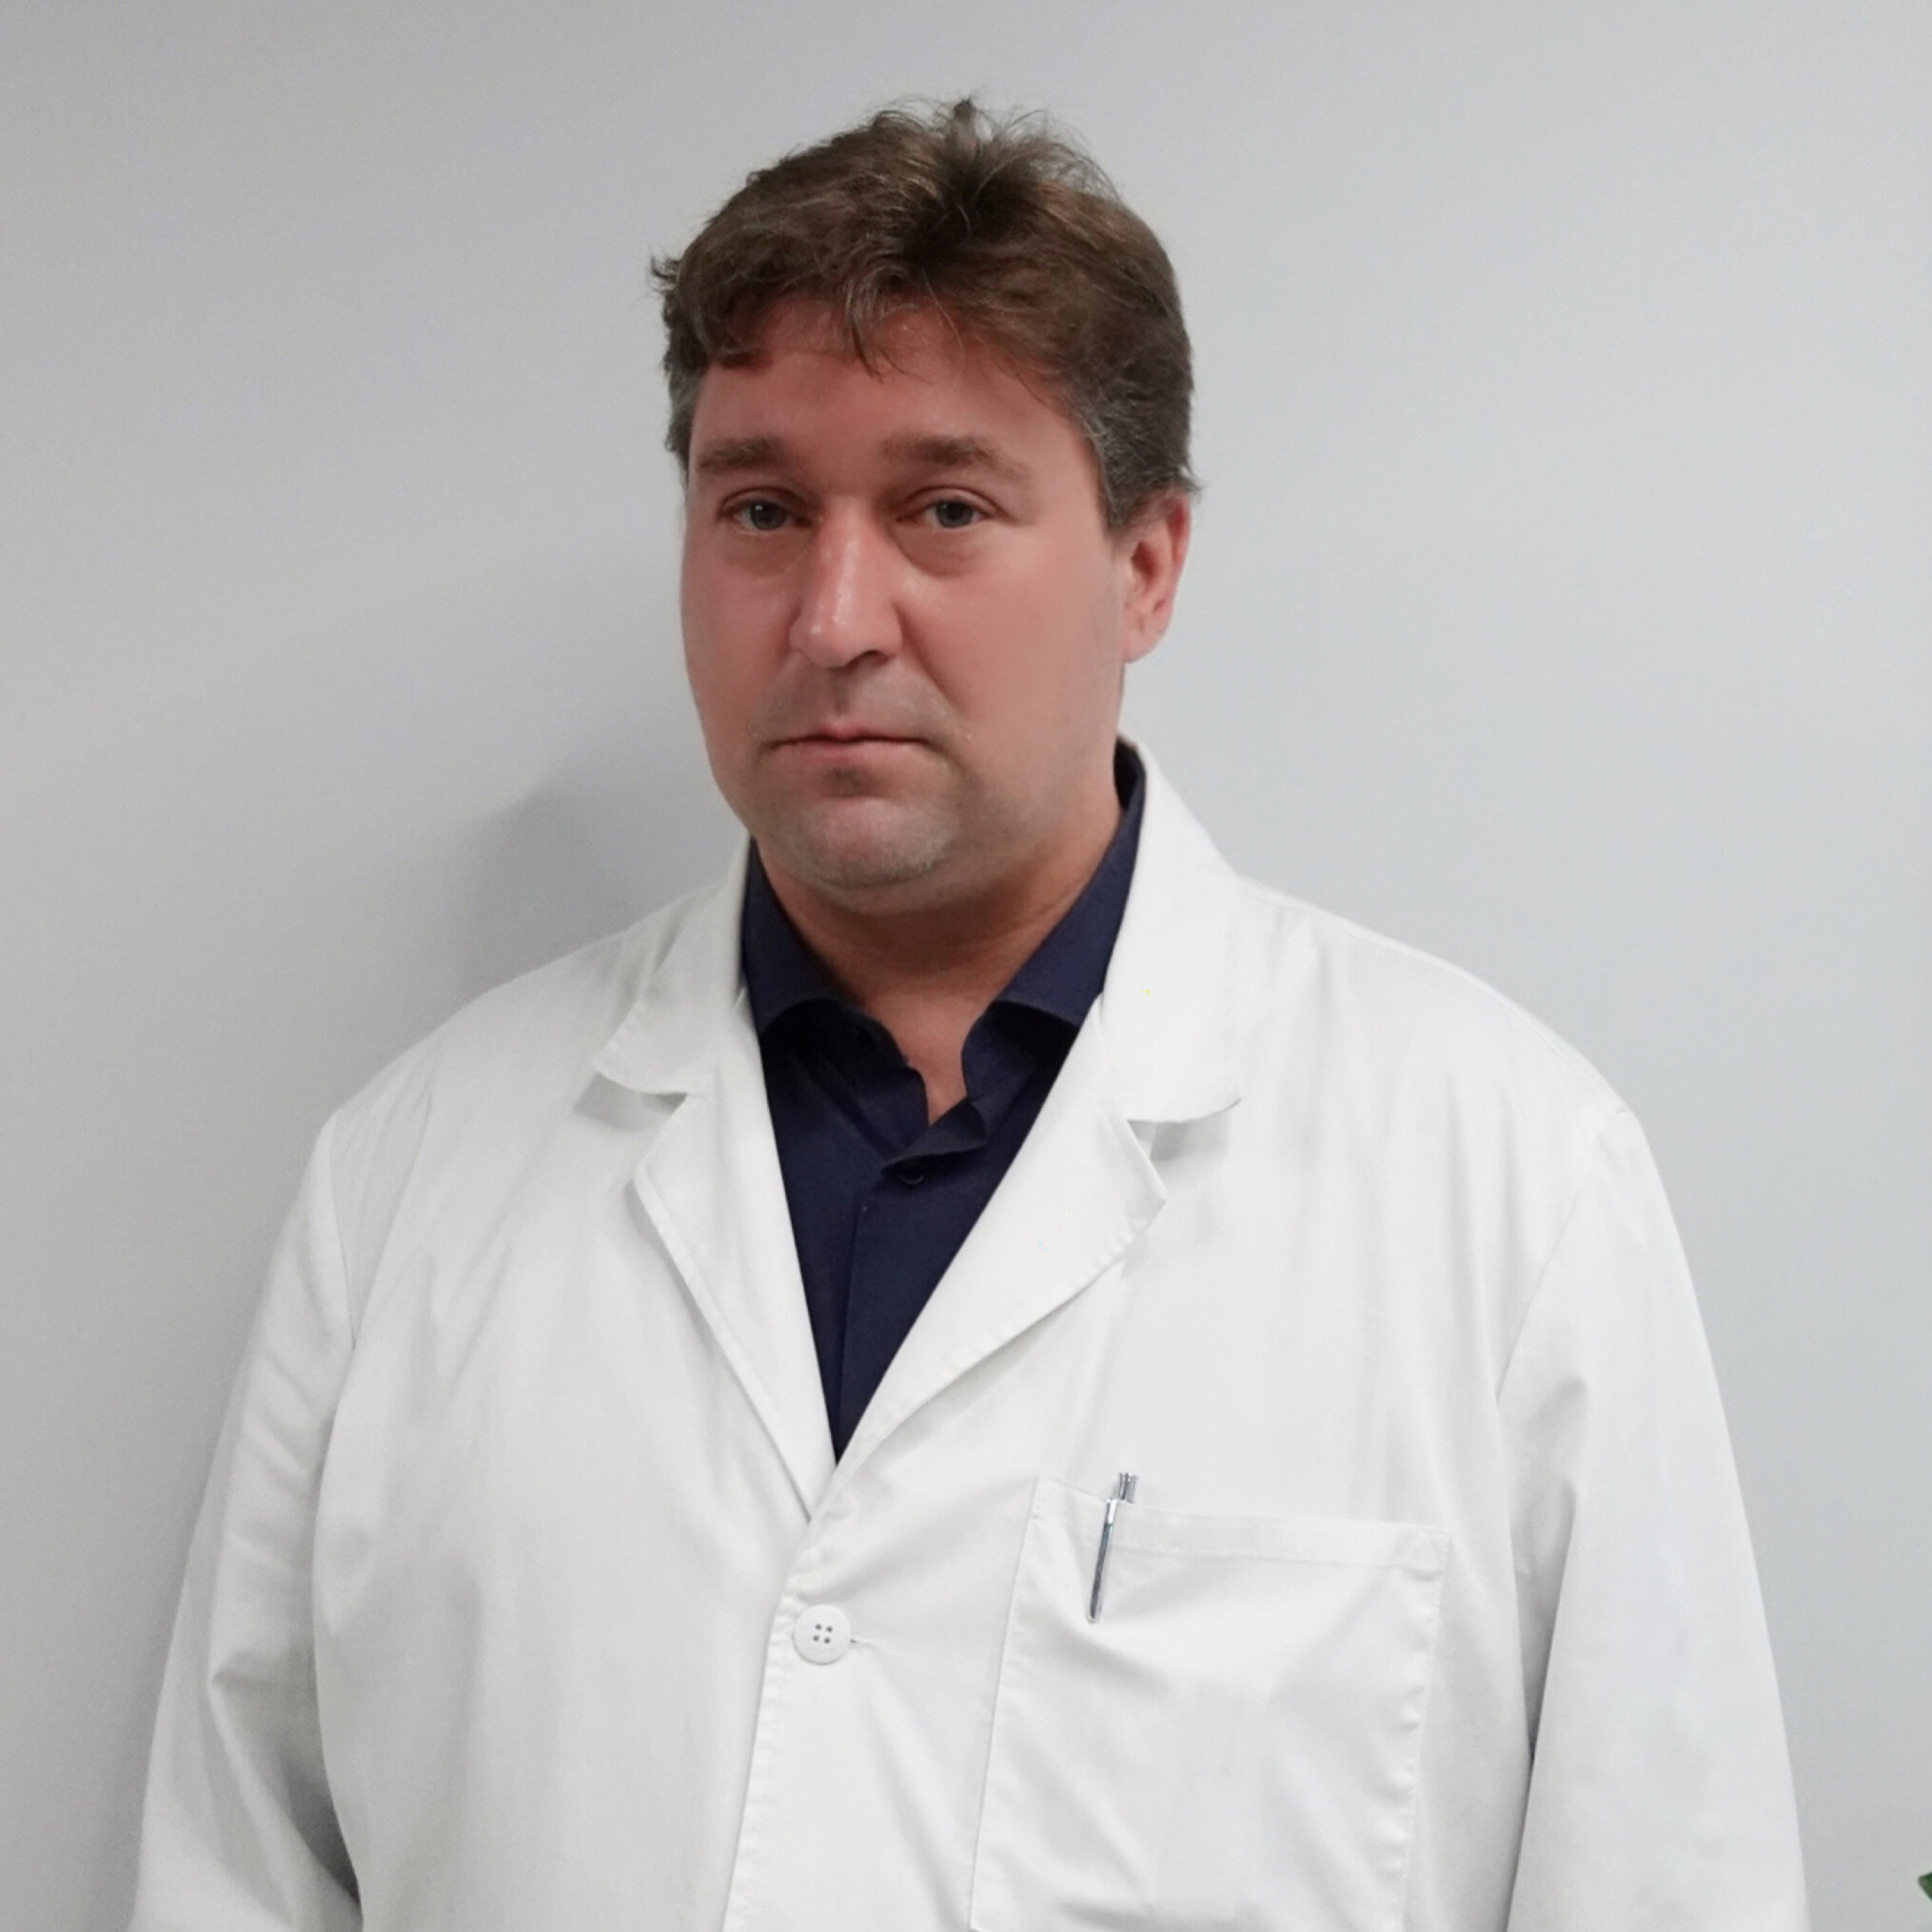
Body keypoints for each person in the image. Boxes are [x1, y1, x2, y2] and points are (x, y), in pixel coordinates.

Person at [128, 100, 1809, 1931]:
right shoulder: (410, 1182)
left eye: (943, 509)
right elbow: (233, 1876)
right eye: (762, 509)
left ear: (1146, 564)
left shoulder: (1505, 1184)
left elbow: (1666, 1880)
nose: (833, 617)